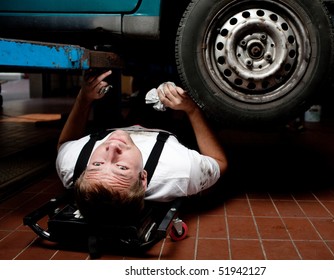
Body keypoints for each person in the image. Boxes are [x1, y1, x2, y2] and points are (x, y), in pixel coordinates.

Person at [55, 69, 228, 224]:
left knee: (138, 91)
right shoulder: (178, 171)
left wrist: (84, 97)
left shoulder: (72, 165)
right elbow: (220, 162)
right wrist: (191, 109)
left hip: (117, 125)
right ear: (143, 178)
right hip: (165, 130)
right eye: (121, 168)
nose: (112, 148)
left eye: (97, 165)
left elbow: (64, 144)